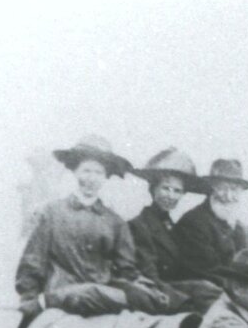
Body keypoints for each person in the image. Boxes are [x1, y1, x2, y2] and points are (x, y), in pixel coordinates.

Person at [16, 135, 154, 317]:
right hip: (60, 298)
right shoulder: (52, 213)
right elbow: (33, 262)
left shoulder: (115, 222)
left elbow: (127, 269)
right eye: (86, 171)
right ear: (75, 172)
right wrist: (29, 299)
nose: (91, 179)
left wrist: (141, 288)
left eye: (98, 173)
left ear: (105, 177)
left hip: (99, 301)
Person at [126, 148, 224, 314]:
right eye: (166, 188)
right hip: (156, 293)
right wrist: (184, 299)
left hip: (174, 288)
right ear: (153, 189)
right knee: (206, 292)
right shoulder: (139, 225)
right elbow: (149, 276)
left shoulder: (171, 225)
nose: (171, 196)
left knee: (212, 291)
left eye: (177, 191)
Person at [175, 157, 248, 286]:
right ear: (212, 188)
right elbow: (207, 273)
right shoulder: (193, 223)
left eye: (234, 189)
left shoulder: (247, 232)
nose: (228, 196)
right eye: (222, 188)